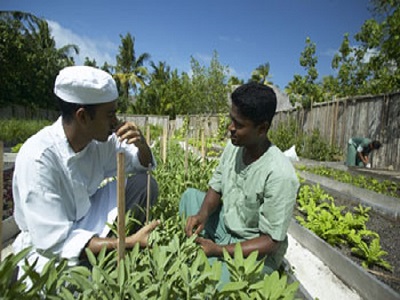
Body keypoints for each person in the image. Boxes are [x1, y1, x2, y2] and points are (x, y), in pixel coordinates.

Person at [12, 66, 159, 275]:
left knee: (145, 184)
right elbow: (54, 242)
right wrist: (127, 242)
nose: (116, 122)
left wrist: (142, 145)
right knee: (77, 285)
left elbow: (141, 164)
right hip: (50, 249)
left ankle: (111, 250)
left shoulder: (99, 141)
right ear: (82, 116)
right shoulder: (39, 158)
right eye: (110, 114)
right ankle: (116, 250)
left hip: (88, 218)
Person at [179, 82, 300, 284]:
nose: (230, 128)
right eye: (231, 120)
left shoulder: (280, 174)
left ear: (262, 128)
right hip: (227, 227)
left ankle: (218, 256)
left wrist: (219, 250)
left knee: (211, 283)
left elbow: (270, 241)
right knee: (190, 197)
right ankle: (214, 250)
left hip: (255, 249)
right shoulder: (234, 146)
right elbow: (215, 187)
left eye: (239, 124)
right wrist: (202, 215)